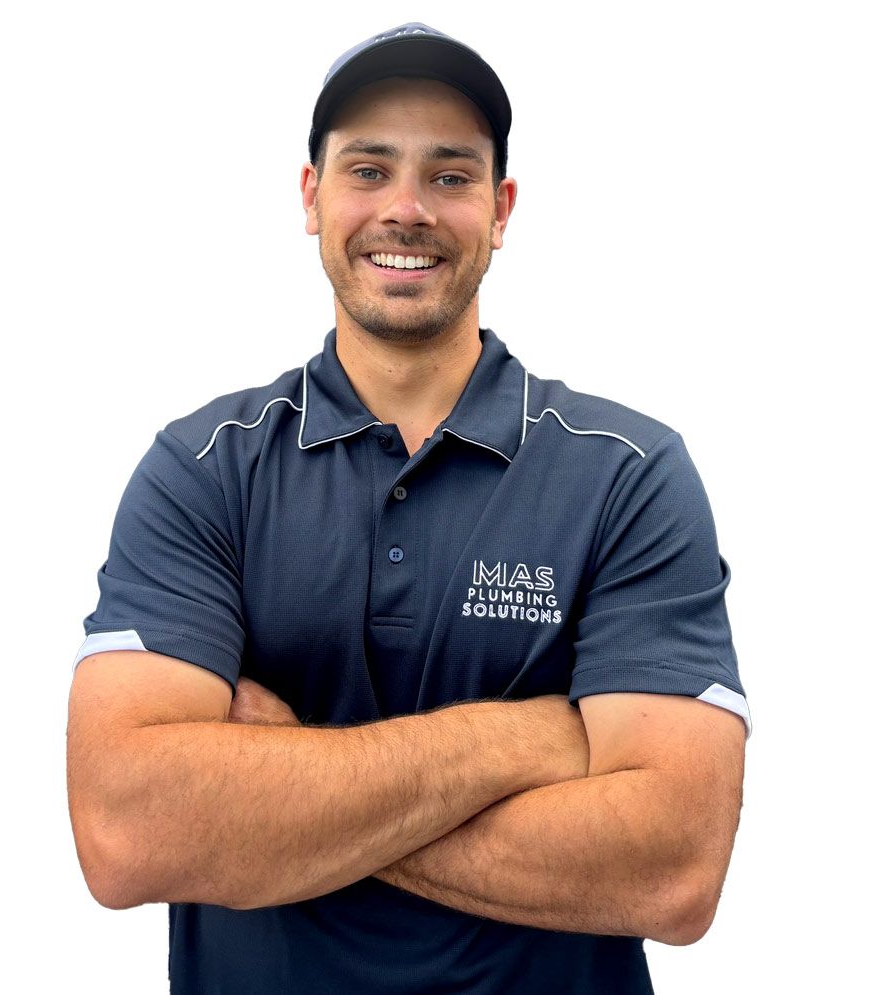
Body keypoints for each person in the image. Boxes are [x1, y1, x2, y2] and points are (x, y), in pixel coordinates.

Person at [67, 22, 751, 994]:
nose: (406, 209)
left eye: (450, 176)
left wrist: (279, 782)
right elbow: (128, 831)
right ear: (310, 197)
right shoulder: (205, 470)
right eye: (368, 169)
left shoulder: (626, 475)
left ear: (501, 209)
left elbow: (672, 867)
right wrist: (523, 740)